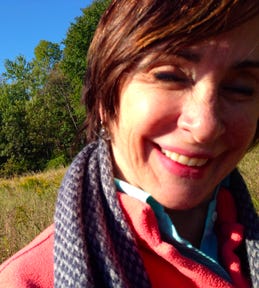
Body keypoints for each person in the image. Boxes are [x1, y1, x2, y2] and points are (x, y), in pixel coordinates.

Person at [0, 0, 259, 287]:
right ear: (103, 98)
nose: (205, 126)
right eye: (168, 75)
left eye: (240, 88)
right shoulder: (26, 280)